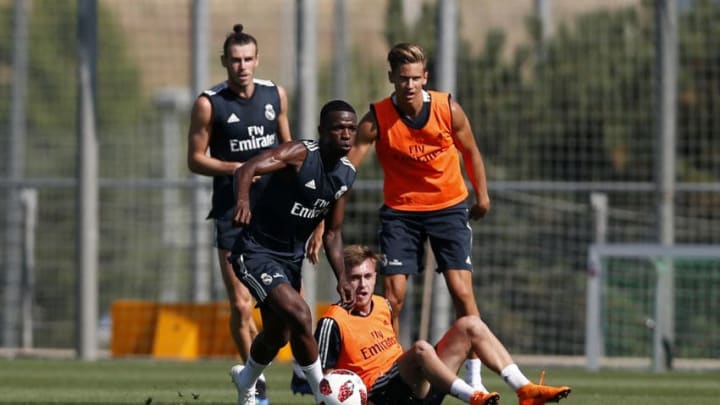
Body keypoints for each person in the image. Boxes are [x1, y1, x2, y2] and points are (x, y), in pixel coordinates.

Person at [347, 42, 491, 391]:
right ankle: (391, 375)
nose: (409, 85)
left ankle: (475, 376)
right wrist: (325, 197)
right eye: (402, 78)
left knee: (460, 291)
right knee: (393, 296)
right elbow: (349, 164)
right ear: (391, 78)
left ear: (425, 77)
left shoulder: (447, 109)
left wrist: (482, 195)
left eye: (415, 78)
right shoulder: (376, 119)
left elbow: (470, 150)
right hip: (401, 213)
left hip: (448, 206)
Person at [314, 244, 572, 405]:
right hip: (378, 396)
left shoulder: (383, 305)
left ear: (375, 277)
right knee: (420, 350)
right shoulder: (332, 320)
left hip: (413, 387)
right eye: (355, 277)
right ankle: (472, 397)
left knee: (469, 323)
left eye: (368, 276)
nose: (362, 284)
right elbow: (323, 384)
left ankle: (524, 390)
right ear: (343, 279)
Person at [186, 24, 291, 404]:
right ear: (224, 62)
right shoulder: (209, 103)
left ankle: (294, 368)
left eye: (248, 59)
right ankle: (254, 387)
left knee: (284, 303)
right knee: (241, 303)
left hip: (274, 214)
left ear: (257, 60)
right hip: (233, 213)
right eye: (235, 59)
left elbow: (288, 147)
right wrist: (238, 168)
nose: (242, 66)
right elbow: (195, 160)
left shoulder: (274, 94)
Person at [228, 100, 359, 405]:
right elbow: (246, 169)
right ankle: (322, 394)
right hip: (256, 251)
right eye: (339, 128)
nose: (346, 134)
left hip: (291, 259)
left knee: (279, 334)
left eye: (351, 128)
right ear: (322, 131)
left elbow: (333, 233)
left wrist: (342, 276)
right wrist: (243, 201)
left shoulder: (346, 175)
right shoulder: (300, 154)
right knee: (301, 313)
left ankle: (245, 379)